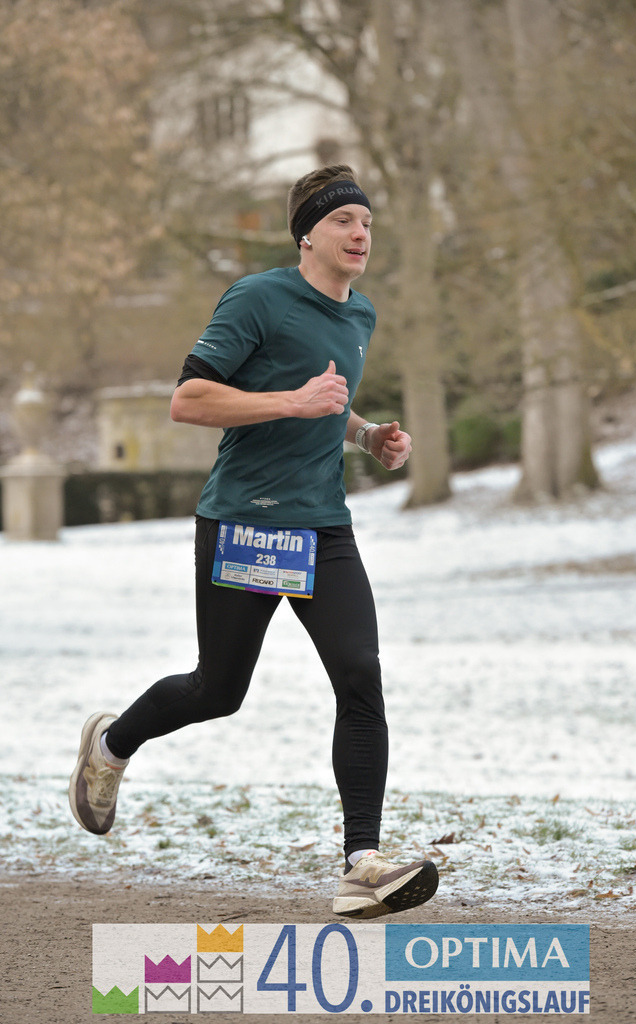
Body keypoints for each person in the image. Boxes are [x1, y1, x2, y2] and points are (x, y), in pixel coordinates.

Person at [69, 164, 438, 919]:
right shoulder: (257, 297)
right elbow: (188, 399)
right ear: (308, 233)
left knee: (360, 673)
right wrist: (292, 402)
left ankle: (361, 865)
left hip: (322, 526)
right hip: (243, 520)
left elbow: (325, 398)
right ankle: (111, 746)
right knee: (219, 689)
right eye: (344, 221)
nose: (361, 233)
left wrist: (365, 434)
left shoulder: (359, 316)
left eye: (367, 222)